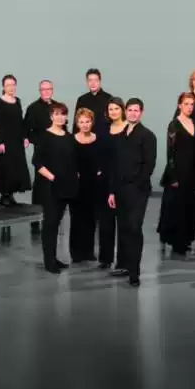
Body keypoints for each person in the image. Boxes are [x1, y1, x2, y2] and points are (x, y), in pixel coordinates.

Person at [107, 98, 155, 288]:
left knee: (134, 228)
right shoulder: (121, 135)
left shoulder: (147, 135)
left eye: (136, 110)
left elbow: (148, 166)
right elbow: (114, 165)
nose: (133, 113)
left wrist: (135, 186)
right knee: (124, 228)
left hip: (137, 190)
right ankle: (125, 265)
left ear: (141, 113)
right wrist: (112, 191)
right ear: (125, 111)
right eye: (130, 110)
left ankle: (134, 273)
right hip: (119, 190)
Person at [34, 102, 78, 273]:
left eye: (63, 114)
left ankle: (54, 258)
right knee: (50, 223)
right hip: (51, 186)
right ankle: (49, 261)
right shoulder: (45, 136)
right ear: (51, 116)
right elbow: (37, 162)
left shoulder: (69, 137)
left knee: (58, 222)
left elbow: (73, 161)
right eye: (57, 114)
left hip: (68, 186)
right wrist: (53, 177)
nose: (60, 117)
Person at [159, 92, 195, 255]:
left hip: (191, 172)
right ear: (179, 105)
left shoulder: (194, 123)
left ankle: (186, 240)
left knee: (188, 206)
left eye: (192, 104)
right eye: (186, 104)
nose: (189, 107)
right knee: (176, 208)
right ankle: (176, 241)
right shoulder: (174, 125)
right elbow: (170, 152)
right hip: (177, 171)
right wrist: (173, 176)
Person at [96, 98, 127, 270]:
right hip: (104, 179)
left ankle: (123, 260)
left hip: (122, 179)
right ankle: (105, 258)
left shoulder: (129, 129)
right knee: (105, 222)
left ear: (122, 110)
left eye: (116, 108)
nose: (114, 112)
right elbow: (99, 152)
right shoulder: (103, 128)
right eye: (111, 109)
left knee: (123, 222)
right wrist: (99, 169)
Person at [0, 75, 31, 206]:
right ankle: (4, 195)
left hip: (17, 139)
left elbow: (20, 121)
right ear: (3, 87)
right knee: (6, 167)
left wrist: (25, 137)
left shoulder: (18, 101)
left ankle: (11, 194)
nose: (11, 87)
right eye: (8, 85)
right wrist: (0, 142)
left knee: (16, 167)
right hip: (5, 140)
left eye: (13, 84)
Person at [69, 108, 101, 263]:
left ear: (92, 122)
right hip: (77, 184)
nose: (85, 124)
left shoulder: (98, 139)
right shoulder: (71, 140)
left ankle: (88, 252)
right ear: (77, 123)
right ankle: (76, 253)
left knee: (91, 218)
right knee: (76, 218)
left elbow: (102, 159)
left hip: (94, 184)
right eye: (81, 122)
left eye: (87, 121)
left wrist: (100, 171)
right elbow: (67, 161)